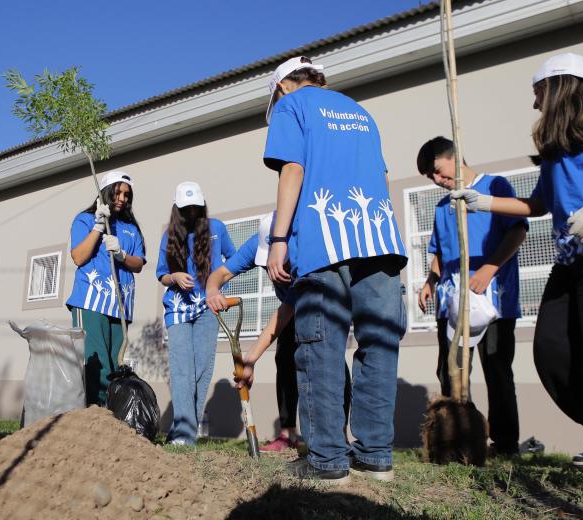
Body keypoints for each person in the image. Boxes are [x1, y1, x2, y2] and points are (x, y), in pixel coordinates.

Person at [452, 53, 583, 478]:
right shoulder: (556, 147)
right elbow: (540, 202)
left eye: (536, 94)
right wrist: (485, 202)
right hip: (574, 255)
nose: (534, 105)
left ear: (557, 87)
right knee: (555, 351)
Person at [263, 56, 407, 483]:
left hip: (324, 240)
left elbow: (293, 168)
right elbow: (380, 175)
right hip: (379, 239)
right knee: (378, 344)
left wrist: (278, 239)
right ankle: (375, 456)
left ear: (284, 86)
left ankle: (327, 462)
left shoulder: (293, 106)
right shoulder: (361, 111)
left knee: (320, 348)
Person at [416, 136, 527, 457]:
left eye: (438, 170)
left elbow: (518, 230)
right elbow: (437, 252)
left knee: (497, 369)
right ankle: (458, 440)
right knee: (451, 371)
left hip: (493, 300)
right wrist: (430, 281)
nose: (438, 180)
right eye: (430, 177)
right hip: (452, 303)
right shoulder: (442, 207)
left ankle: (506, 444)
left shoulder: (495, 186)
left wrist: (489, 269)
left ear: (455, 157)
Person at [205, 213, 300, 452]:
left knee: (328, 365)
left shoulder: (303, 251)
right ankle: (288, 435)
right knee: (285, 359)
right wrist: (213, 290)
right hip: (288, 309)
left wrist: (250, 359)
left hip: (318, 306)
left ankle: (336, 439)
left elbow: (285, 312)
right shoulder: (258, 242)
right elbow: (221, 273)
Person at [156, 181, 235, 446]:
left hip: (207, 307)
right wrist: (174, 276)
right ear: (177, 209)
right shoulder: (169, 235)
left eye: (196, 208)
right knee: (182, 371)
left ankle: (185, 431)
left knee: (201, 369)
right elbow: (161, 274)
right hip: (178, 308)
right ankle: (184, 435)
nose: (191, 213)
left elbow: (233, 262)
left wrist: (219, 289)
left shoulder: (217, 229)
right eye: (186, 208)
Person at [66, 170, 146, 406]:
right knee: (96, 363)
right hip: (90, 301)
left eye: (127, 195)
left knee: (114, 364)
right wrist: (98, 227)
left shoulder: (131, 228)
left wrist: (122, 255)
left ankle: (108, 417)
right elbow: (78, 257)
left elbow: (139, 263)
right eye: (118, 193)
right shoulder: (85, 219)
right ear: (106, 192)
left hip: (121, 305)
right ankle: (94, 415)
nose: (122, 198)